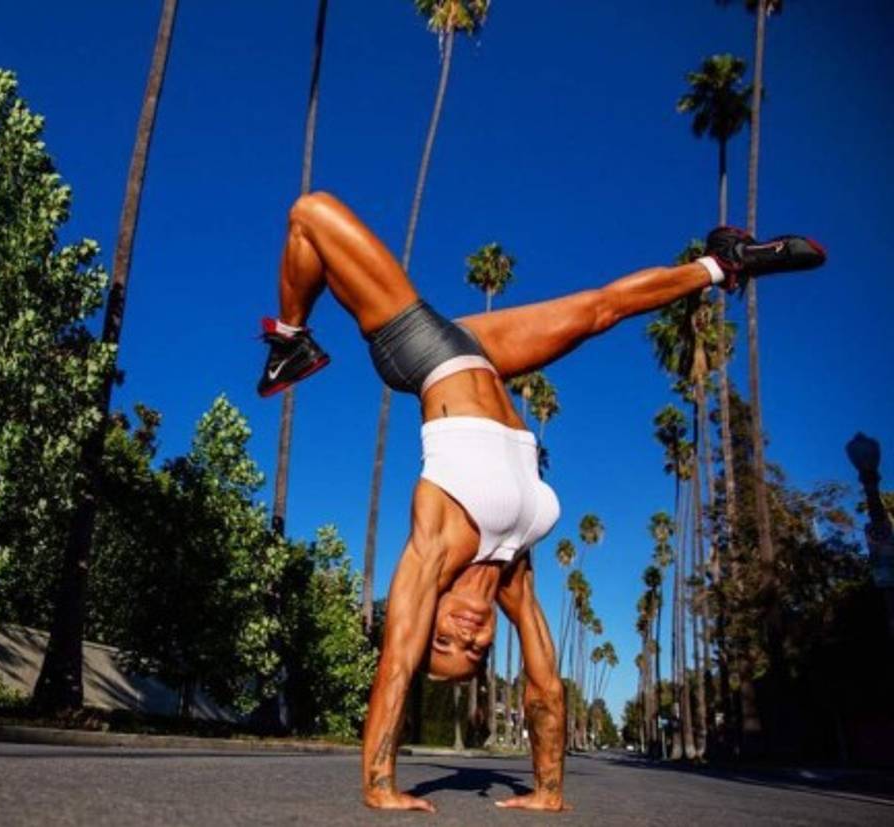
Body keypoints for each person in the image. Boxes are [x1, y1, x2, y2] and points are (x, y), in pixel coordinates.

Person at [257, 191, 824, 813]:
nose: (466, 640)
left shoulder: (437, 546)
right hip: (480, 353)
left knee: (311, 212)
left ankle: (290, 343)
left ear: (432, 619)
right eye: (472, 652)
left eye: (444, 643)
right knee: (598, 311)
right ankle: (722, 265)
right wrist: (549, 792)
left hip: (422, 356)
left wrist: (379, 785)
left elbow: (395, 664)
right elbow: (545, 685)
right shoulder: (513, 577)